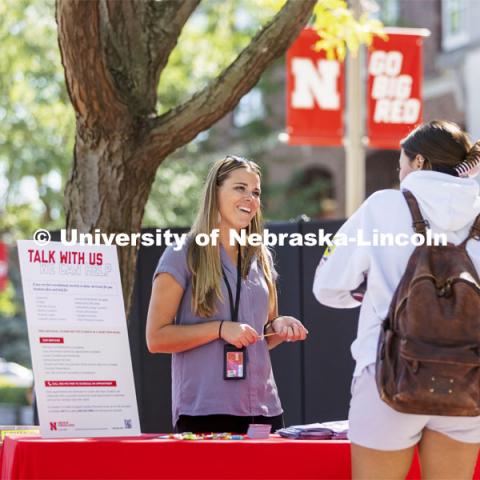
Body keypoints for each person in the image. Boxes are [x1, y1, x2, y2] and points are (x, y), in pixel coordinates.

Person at [313, 120, 480, 479]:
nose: (399, 171)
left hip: (389, 375)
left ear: (419, 162)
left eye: (401, 163)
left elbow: (327, 285)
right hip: (469, 381)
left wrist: (369, 293)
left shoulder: (383, 207)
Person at [146, 155, 308, 434]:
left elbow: (260, 335)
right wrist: (220, 329)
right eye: (240, 188)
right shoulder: (181, 254)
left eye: (256, 192)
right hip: (206, 411)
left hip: (265, 410)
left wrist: (279, 327)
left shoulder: (261, 258)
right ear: (215, 193)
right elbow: (156, 338)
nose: (250, 198)